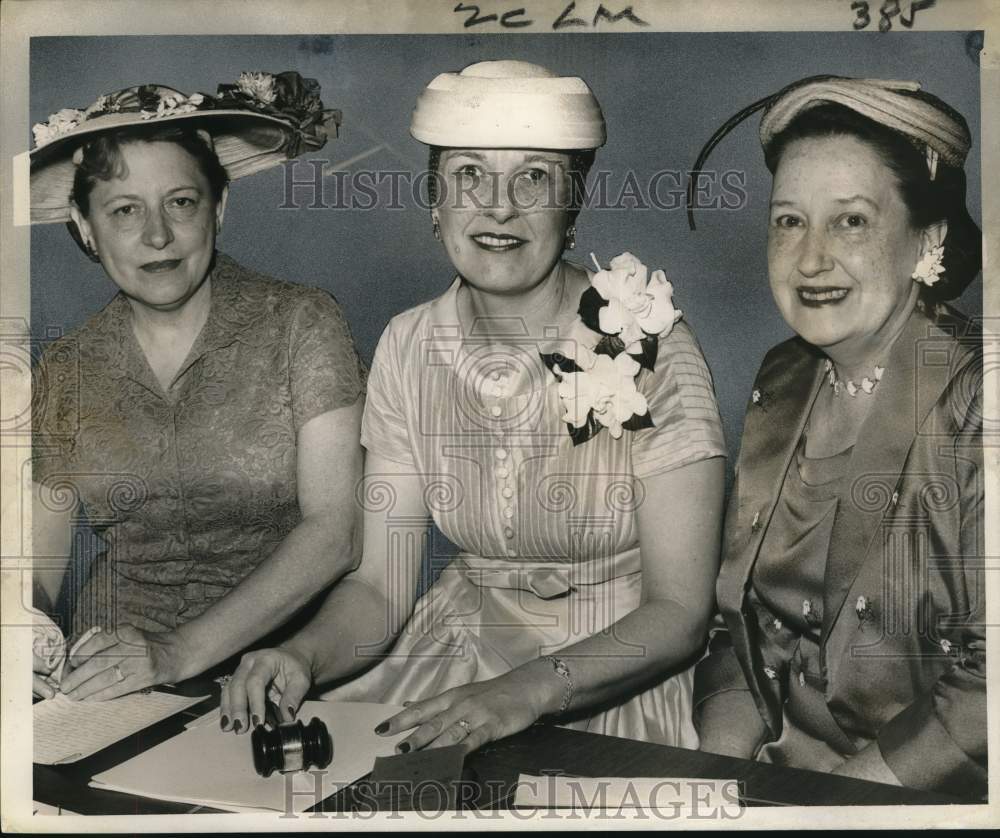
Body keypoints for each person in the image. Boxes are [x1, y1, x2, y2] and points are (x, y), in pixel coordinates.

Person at [220, 60, 727, 752]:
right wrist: (302, 655)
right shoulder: (408, 344)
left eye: (533, 178)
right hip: (458, 643)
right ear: (435, 200)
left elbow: (680, 613)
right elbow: (381, 589)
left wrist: (523, 691)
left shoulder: (651, 341)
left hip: (613, 669)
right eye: (468, 176)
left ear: (571, 203)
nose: (499, 207)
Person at [29, 73, 367, 706]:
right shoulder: (63, 368)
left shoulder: (302, 323)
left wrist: (176, 652)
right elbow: (36, 576)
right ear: (83, 223)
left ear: (219, 206)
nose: (157, 236)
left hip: (275, 676)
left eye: (180, 202)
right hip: (110, 686)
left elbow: (336, 534)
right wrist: (25, 645)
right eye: (124, 210)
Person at [690, 76, 985, 797]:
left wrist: (834, 809)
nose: (811, 258)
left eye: (850, 221)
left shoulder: (980, 400)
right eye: (789, 221)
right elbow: (741, 633)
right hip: (781, 780)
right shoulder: (783, 378)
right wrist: (721, 781)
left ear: (931, 239)